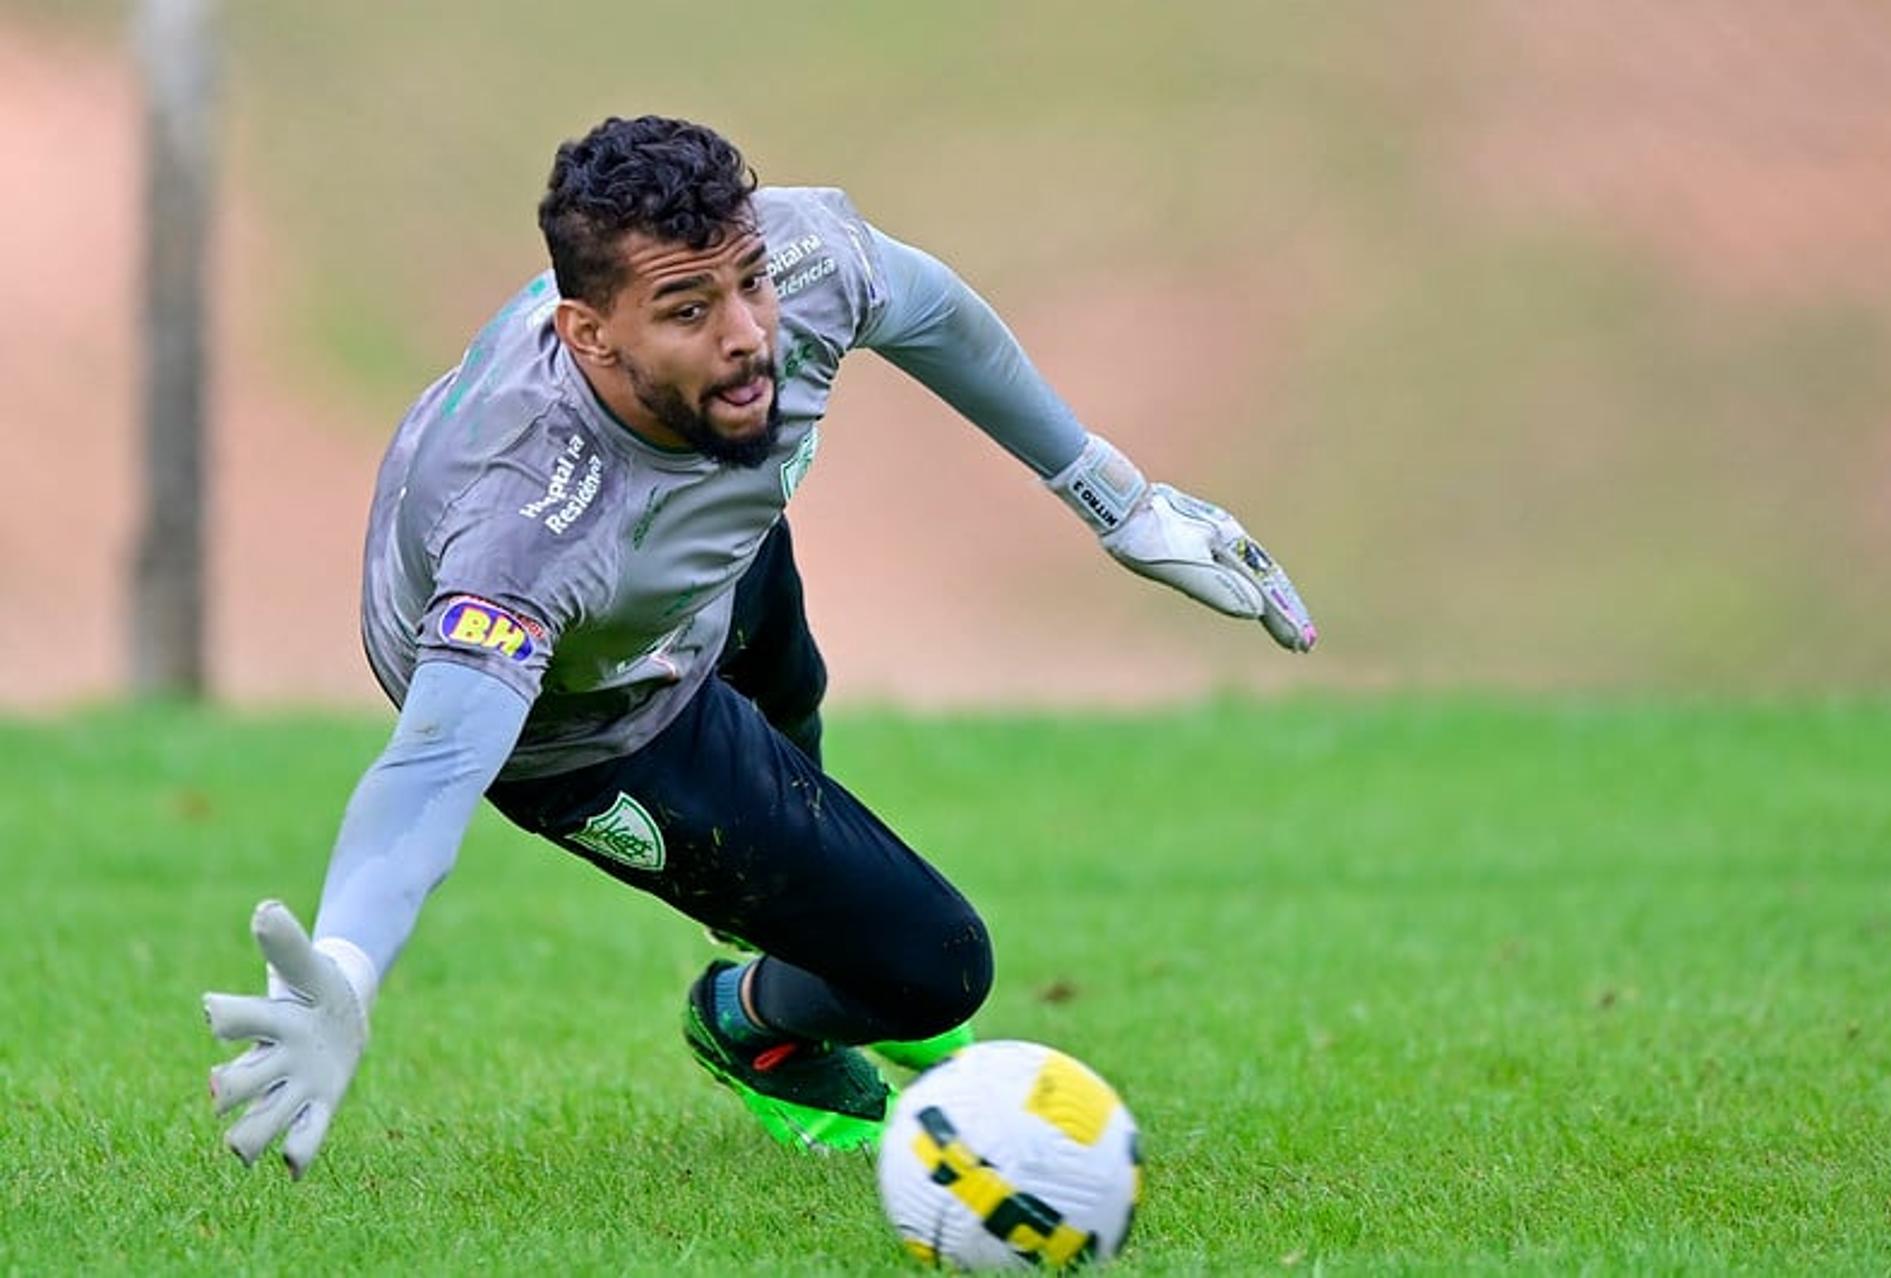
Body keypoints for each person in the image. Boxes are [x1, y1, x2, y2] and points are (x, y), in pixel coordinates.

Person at [202, 114, 1316, 1178]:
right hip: (587, 715)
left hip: (693, 554)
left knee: (797, 733)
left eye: (750, 283)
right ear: (587, 332)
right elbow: (435, 765)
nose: (747, 335)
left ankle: (824, 949)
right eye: (689, 310)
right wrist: (345, 966)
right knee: (940, 970)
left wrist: (1114, 499)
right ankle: (750, 1030)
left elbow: (929, 310)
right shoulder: (526, 535)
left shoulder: (784, 272)